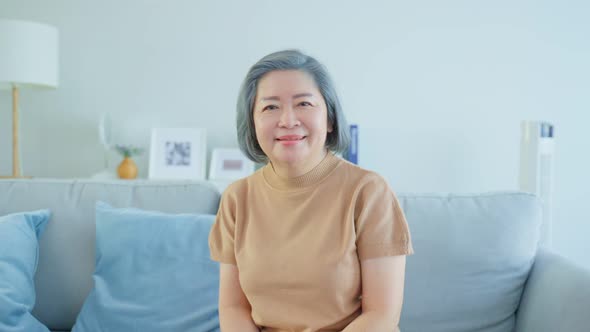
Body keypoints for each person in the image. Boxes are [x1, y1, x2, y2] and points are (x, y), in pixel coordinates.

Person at [208, 49, 413, 332]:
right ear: (253, 123)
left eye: (303, 103)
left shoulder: (368, 191)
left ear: (329, 119)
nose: (288, 120)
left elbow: (382, 314)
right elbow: (233, 308)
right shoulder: (236, 198)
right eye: (270, 107)